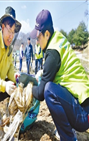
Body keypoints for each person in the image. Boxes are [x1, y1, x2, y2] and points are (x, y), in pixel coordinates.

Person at [30, 9, 89, 141]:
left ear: (46, 34)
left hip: (83, 116)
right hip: (85, 104)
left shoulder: (52, 53)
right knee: (53, 86)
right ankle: (70, 128)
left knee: (49, 90)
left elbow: (39, 94)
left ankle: (68, 138)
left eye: (38, 37)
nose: (37, 42)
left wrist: (28, 88)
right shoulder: (58, 38)